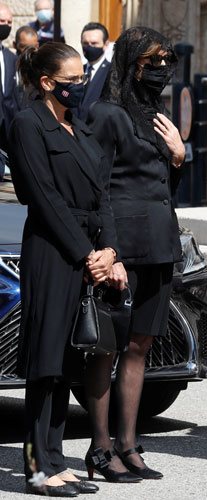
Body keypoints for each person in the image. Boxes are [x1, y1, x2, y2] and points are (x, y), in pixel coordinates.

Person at [12, 41, 117, 497]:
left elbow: (103, 193)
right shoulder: (27, 124)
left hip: (88, 254)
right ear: (46, 82)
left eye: (82, 79)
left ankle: (55, 458)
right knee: (45, 362)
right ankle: (36, 467)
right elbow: (43, 197)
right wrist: (85, 254)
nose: (81, 86)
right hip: (54, 253)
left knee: (69, 360)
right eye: (72, 81)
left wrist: (108, 250)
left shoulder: (81, 125)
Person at [83, 27, 184, 482]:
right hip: (122, 249)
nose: (162, 68)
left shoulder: (155, 112)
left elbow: (162, 186)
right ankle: (100, 447)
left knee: (140, 346)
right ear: (130, 63)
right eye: (152, 61)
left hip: (159, 245)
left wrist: (179, 157)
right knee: (107, 348)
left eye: (166, 59)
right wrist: (111, 251)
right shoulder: (106, 113)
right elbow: (95, 187)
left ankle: (129, 443)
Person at [76, 22, 111, 122]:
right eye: (85, 43)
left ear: (106, 44)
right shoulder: (77, 72)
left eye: (94, 43)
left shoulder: (112, 73)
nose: (89, 47)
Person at [0, 3, 19, 152]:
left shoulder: (11, 57)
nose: (6, 25)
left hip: (5, 131)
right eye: (2, 21)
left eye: (9, 22)